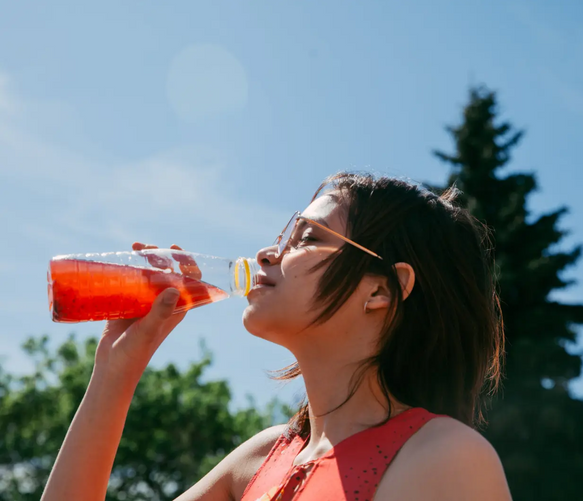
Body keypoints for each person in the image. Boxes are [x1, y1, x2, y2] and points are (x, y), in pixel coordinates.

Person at [41, 172, 513, 500]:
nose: (268, 252)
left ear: (380, 289)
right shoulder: (262, 457)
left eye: (307, 238)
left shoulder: (444, 458)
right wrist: (115, 369)